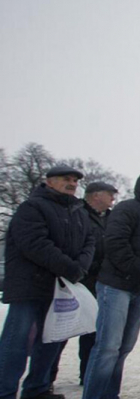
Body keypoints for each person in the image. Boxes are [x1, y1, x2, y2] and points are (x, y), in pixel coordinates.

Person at [0, 166, 94, 399]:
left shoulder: (79, 212)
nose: (72, 183)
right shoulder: (32, 207)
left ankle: (38, 389)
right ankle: (5, 390)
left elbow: (89, 242)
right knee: (17, 342)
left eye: (74, 180)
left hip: (61, 290)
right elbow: (35, 244)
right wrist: (70, 268)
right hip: (29, 288)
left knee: (52, 341)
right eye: (66, 179)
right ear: (49, 182)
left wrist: (80, 267)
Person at [82, 171, 140, 399]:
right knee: (108, 347)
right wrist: (135, 270)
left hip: (138, 290)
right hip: (115, 286)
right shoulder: (126, 209)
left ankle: (110, 394)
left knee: (124, 347)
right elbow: (115, 242)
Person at [75, 182, 117, 385]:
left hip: (102, 280)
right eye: (110, 194)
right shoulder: (78, 214)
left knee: (94, 329)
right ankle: (44, 378)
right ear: (96, 195)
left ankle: (87, 373)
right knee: (59, 330)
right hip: (78, 278)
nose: (113, 199)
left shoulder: (111, 218)